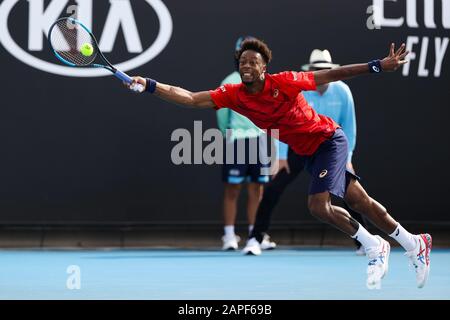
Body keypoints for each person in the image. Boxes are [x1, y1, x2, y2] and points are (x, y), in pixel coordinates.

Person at [126, 38, 431, 290]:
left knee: (317, 206)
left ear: (264, 67)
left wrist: (377, 65)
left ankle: (375, 245)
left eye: (252, 61)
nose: (246, 66)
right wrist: (151, 85)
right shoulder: (234, 95)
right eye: (242, 62)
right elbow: (192, 99)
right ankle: (414, 243)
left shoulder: (285, 82)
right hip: (306, 150)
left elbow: (333, 74)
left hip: (328, 140)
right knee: (359, 201)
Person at [249, 48, 369, 256]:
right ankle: (256, 238)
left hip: (329, 151)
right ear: (311, 71)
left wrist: (347, 158)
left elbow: (349, 127)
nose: (321, 74)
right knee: (271, 190)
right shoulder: (300, 89)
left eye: (325, 70)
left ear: (331, 70)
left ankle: (364, 242)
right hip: (298, 148)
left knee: (350, 194)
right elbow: (284, 122)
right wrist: (282, 156)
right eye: (317, 70)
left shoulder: (343, 91)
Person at [216, 36, 276, 250]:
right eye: (244, 58)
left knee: (257, 190)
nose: (248, 63)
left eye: (253, 60)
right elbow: (222, 117)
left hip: (260, 140)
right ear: (238, 58)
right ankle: (229, 236)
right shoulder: (229, 82)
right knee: (232, 189)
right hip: (237, 141)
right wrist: (230, 135)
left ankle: (255, 234)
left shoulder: (266, 83)